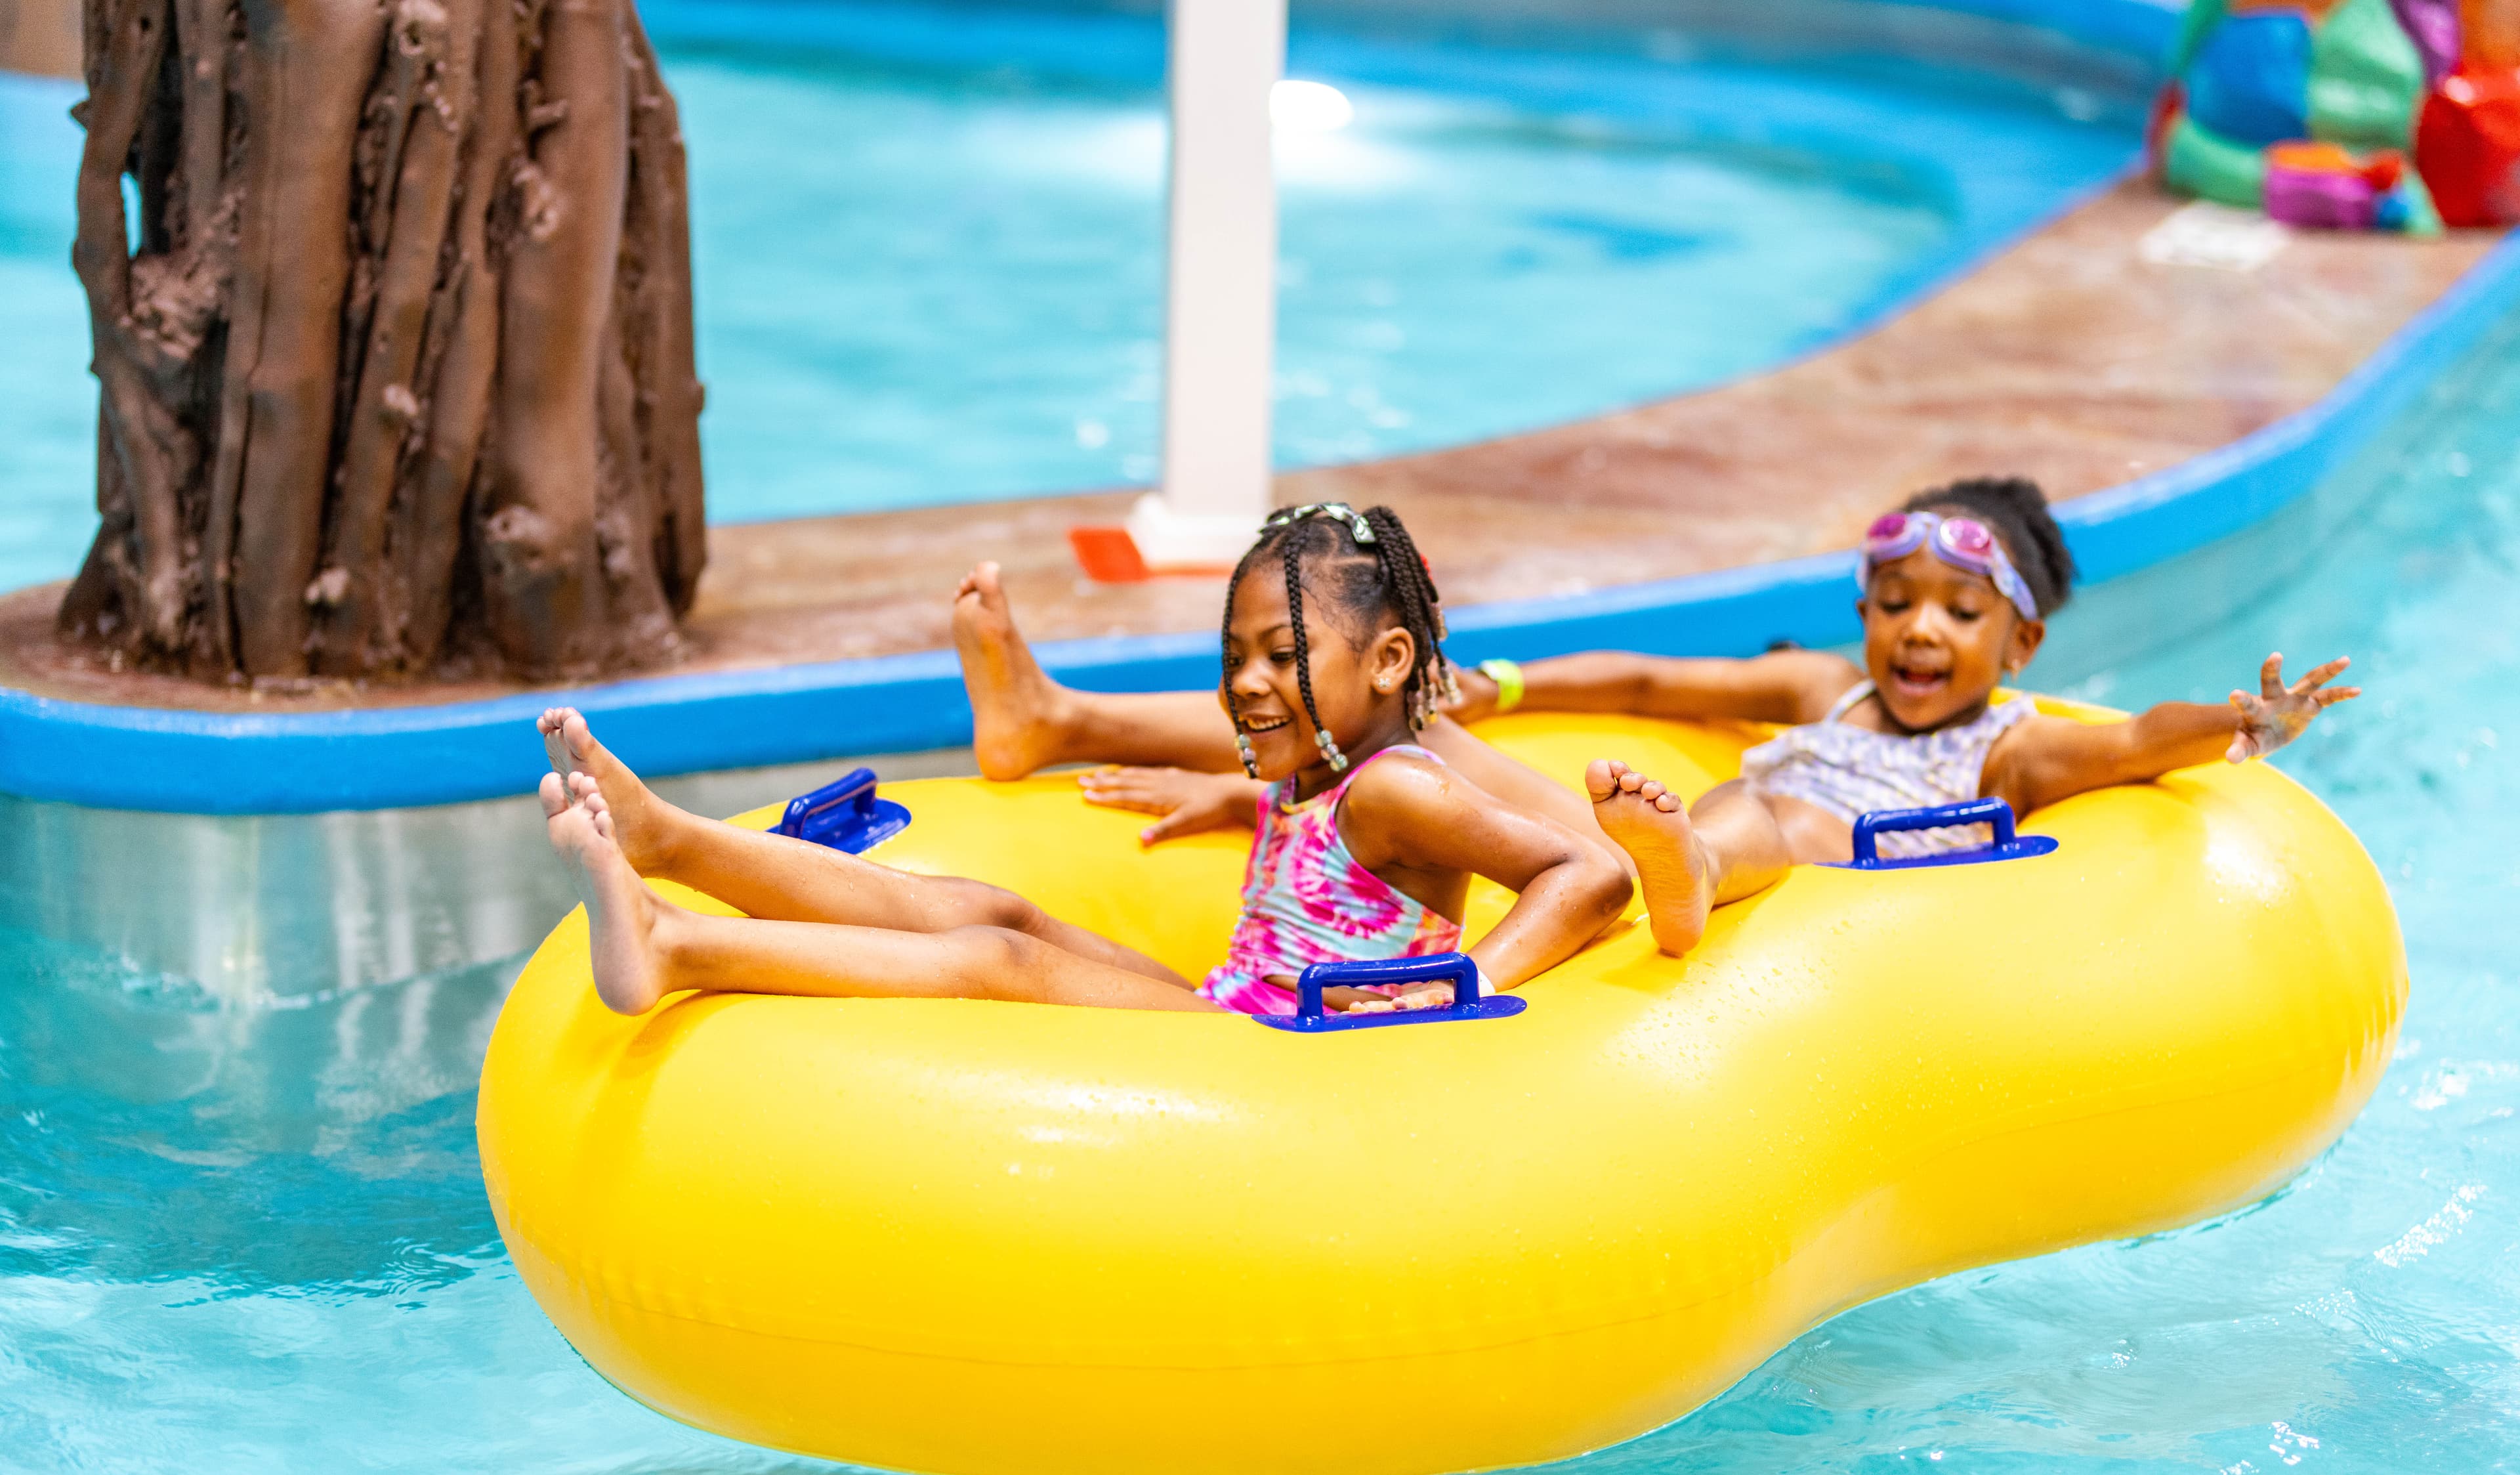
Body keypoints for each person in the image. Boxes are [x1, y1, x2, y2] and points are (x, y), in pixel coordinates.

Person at [952, 479, 2360, 959]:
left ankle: (1684, 875)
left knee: (1783, 818)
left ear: (2024, 642)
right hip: (1654, 853)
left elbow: (2133, 746)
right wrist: (1502, 690)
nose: (1919, 634)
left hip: (1738, 861)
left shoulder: (2011, 744)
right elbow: (1650, 687)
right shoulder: (1825, 686)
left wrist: (2234, 720)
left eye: (1958, 614)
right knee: (1397, 734)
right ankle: (1058, 721)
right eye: (1896, 602)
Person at [536, 503, 1630, 1017]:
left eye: (1282, 655)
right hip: (1235, 1000)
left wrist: (1466, 983)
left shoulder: (1398, 786)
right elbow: (1337, 868)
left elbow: (1592, 873)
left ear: (1391, 661)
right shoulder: (1322, 778)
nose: (1247, 683)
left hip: (1282, 1046)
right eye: (1234, 656)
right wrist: (1227, 792)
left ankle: (681, 947)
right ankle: (670, 839)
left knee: (996, 960)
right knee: (999, 910)